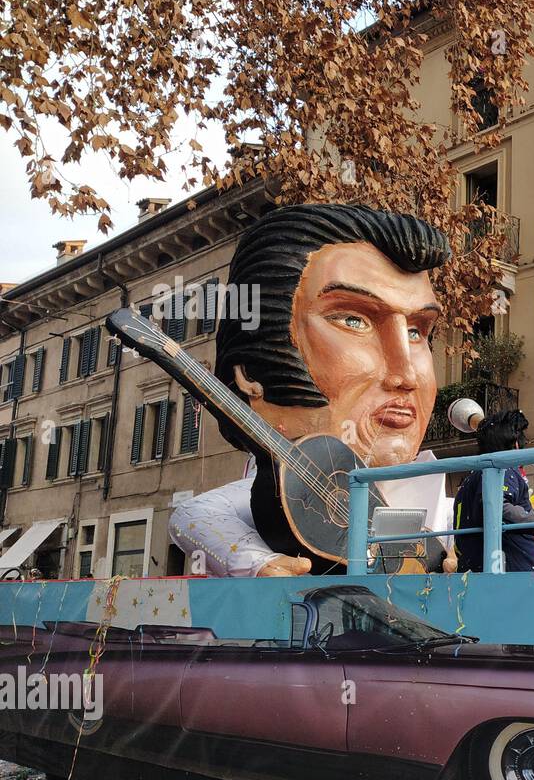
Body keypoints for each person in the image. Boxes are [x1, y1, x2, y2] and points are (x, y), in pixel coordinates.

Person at [169, 204, 453, 576]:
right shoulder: (282, 493)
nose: (406, 374)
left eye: (417, 331)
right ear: (252, 372)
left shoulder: (440, 505)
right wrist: (259, 563)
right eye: (354, 320)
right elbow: (196, 514)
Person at [452, 410, 534, 572]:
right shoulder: (501, 470)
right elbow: (498, 510)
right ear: (516, 445)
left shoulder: (471, 478)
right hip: (507, 580)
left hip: (482, 572)